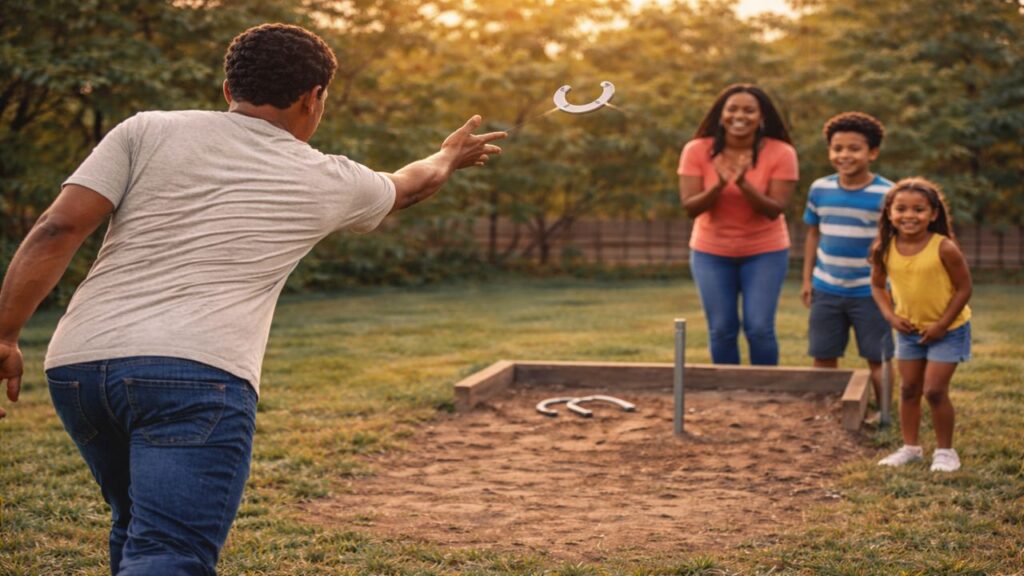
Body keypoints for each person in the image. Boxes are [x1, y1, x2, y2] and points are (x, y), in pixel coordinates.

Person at [0, 23, 505, 574]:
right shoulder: (328, 176)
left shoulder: (144, 130)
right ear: (314, 98)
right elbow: (412, 183)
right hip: (196, 377)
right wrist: (448, 155)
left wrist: (4, 333)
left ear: (227, 89)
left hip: (78, 369)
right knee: (168, 549)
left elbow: (58, 228)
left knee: (135, 524)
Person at [678, 83, 799, 365]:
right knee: (721, 330)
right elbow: (690, 207)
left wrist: (744, 184)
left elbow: (775, 209)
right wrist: (717, 186)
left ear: (762, 117)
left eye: (749, 110)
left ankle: (766, 393)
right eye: (732, 109)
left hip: (765, 251)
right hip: (711, 252)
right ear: (721, 115)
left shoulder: (782, 153)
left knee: (759, 328)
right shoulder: (697, 150)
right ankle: (728, 394)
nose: (739, 115)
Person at [869, 178, 972, 472]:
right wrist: (890, 316)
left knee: (935, 391)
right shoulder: (884, 248)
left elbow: (964, 289)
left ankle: (945, 451)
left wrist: (941, 324)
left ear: (933, 214)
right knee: (909, 388)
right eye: (901, 208)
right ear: (889, 212)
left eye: (919, 209)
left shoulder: (945, 247)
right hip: (909, 331)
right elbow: (877, 286)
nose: (909, 215)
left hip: (948, 330)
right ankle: (911, 448)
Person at [801, 112, 894, 403]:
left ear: (873, 152)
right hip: (826, 288)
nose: (844, 155)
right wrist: (807, 279)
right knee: (824, 354)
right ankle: (825, 410)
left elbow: (892, 243)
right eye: (837, 148)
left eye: (854, 148)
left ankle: (885, 415)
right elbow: (813, 235)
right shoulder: (820, 189)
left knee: (878, 357)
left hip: (871, 291)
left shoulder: (887, 193)